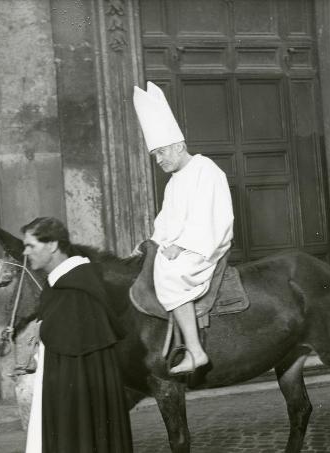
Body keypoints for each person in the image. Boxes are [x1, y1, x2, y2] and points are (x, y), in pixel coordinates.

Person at [133, 82, 234, 375]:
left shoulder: (208, 171)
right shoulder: (175, 181)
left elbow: (216, 218)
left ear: (179, 146)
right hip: (181, 246)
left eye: (162, 152)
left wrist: (184, 244)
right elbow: (165, 221)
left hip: (206, 246)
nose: (159, 160)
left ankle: (195, 350)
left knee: (170, 273)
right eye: (155, 156)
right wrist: (151, 243)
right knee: (150, 264)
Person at [22, 217, 133, 453]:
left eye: (30, 245)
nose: (25, 252)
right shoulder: (60, 286)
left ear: (52, 245)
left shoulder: (77, 291)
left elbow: (78, 363)